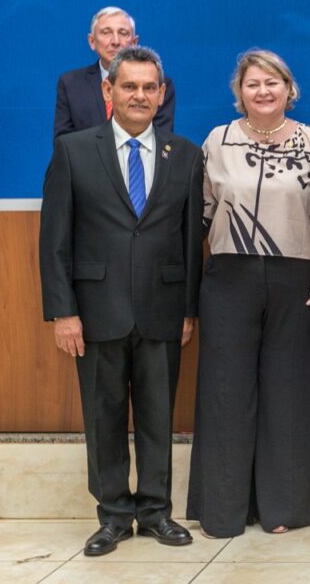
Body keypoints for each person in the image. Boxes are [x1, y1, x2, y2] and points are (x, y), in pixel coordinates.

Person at [39, 46, 202, 557]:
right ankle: (112, 515)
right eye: (128, 86)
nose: (139, 96)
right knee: (103, 416)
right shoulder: (73, 150)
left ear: (162, 93)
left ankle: (156, 511)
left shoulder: (186, 154)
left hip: (162, 309)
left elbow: (190, 241)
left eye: (148, 87)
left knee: (158, 415)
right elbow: (54, 238)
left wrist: (189, 309)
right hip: (94, 313)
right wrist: (64, 311)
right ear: (108, 91)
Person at [186, 49, 310, 538]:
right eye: (253, 83)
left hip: (297, 280)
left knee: (291, 392)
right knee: (225, 393)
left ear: (289, 89)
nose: (263, 91)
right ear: (240, 92)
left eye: (272, 82)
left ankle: (285, 507)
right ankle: (224, 509)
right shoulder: (217, 140)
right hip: (229, 278)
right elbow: (203, 214)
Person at [54, 6, 176, 137]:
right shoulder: (71, 83)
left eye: (123, 33)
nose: (115, 41)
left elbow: (161, 138)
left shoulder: (157, 83)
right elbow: (63, 144)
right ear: (92, 41)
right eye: (106, 33)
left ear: (134, 42)